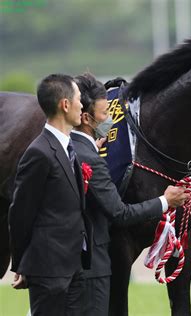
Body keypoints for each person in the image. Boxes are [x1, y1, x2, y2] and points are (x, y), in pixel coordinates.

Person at [71, 73, 190, 316]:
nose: (110, 122)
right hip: (87, 266)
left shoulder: (68, 148)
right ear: (86, 117)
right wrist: (165, 201)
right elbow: (120, 213)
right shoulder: (89, 158)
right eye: (106, 115)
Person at [9, 73, 92, 315]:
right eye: (79, 99)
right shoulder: (39, 153)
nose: (82, 105)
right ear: (65, 105)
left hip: (74, 264)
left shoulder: (68, 146)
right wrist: (23, 265)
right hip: (48, 269)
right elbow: (20, 213)